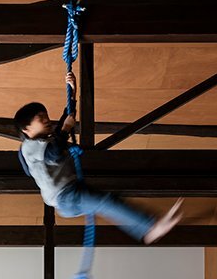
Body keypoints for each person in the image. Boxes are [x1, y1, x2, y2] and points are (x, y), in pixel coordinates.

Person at [14, 72, 182, 244]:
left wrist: (72, 93)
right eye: (41, 118)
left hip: (68, 195)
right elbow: (54, 154)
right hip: (65, 197)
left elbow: (62, 130)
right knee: (107, 203)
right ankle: (149, 228)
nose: (47, 120)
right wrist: (64, 130)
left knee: (110, 201)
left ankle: (148, 226)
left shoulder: (43, 142)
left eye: (46, 116)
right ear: (26, 129)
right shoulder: (29, 147)